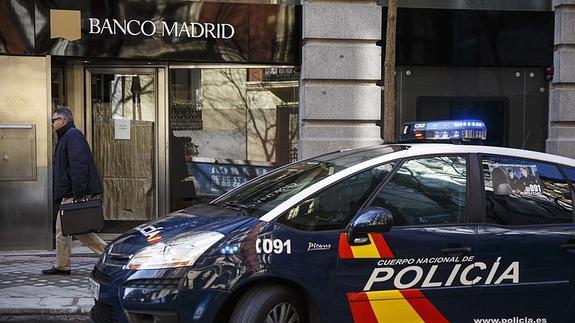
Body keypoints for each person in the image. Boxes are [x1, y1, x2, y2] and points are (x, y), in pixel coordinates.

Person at [42, 107, 107, 275]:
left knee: (74, 229)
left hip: (73, 193)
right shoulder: (67, 136)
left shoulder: (72, 135)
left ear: (62, 120)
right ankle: (62, 265)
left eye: (53, 120)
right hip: (70, 192)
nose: (52, 124)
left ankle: (109, 254)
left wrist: (78, 193)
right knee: (65, 229)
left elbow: (79, 165)